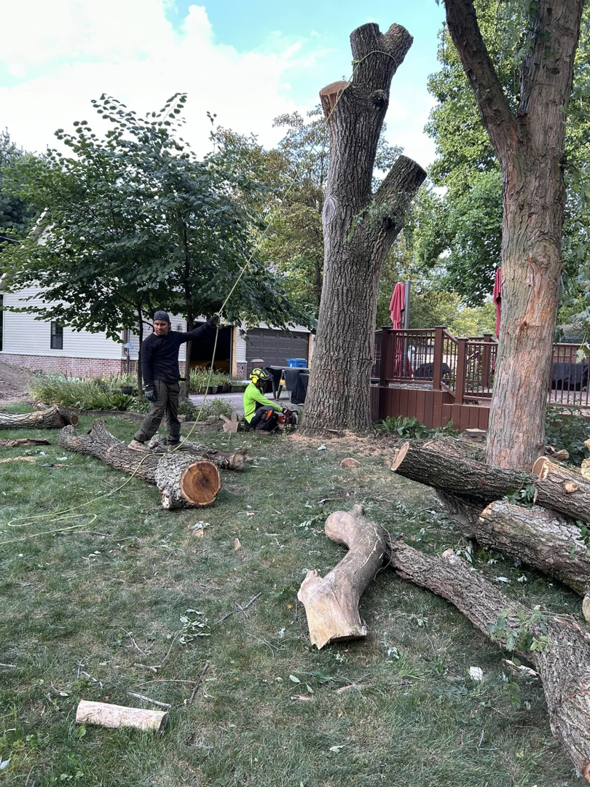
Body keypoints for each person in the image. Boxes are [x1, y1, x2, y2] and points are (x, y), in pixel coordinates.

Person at [128, 310, 219, 451]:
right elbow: (145, 365)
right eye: (156, 324)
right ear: (153, 324)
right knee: (157, 411)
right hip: (158, 382)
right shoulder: (148, 343)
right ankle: (137, 440)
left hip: (173, 381)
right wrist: (148, 386)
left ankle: (174, 442)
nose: (159, 327)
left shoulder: (175, 337)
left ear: (169, 325)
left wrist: (208, 324)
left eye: (162, 324)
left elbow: (192, 334)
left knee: (173, 413)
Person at [243, 367, 284, 432]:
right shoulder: (252, 391)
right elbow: (267, 402)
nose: (264, 383)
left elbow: (262, 404)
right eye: (262, 381)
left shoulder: (259, 389)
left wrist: (276, 416)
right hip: (250, 417)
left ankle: (273, 428)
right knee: (270, 409)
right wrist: (283, 410)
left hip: (256, 413)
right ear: (255, 380)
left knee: (272, 416)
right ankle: (259, 429)